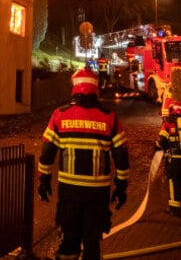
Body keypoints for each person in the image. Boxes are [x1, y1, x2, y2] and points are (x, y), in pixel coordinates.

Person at [37, 67, 130, 260]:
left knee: (69, 239)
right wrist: (121, 187)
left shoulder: (59, 115)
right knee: (92, 241)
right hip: (98, 193)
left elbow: (47, 153)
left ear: (74, 88)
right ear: (96, 89)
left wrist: (43, 181)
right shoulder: (109, 118)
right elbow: (121, 156)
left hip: (69, 191)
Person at [156, 103, 181, 217]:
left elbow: (162, 140)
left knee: (174, 182)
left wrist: (157, 145)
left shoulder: (167, 124)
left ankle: (175, 209)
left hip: (173, 159)